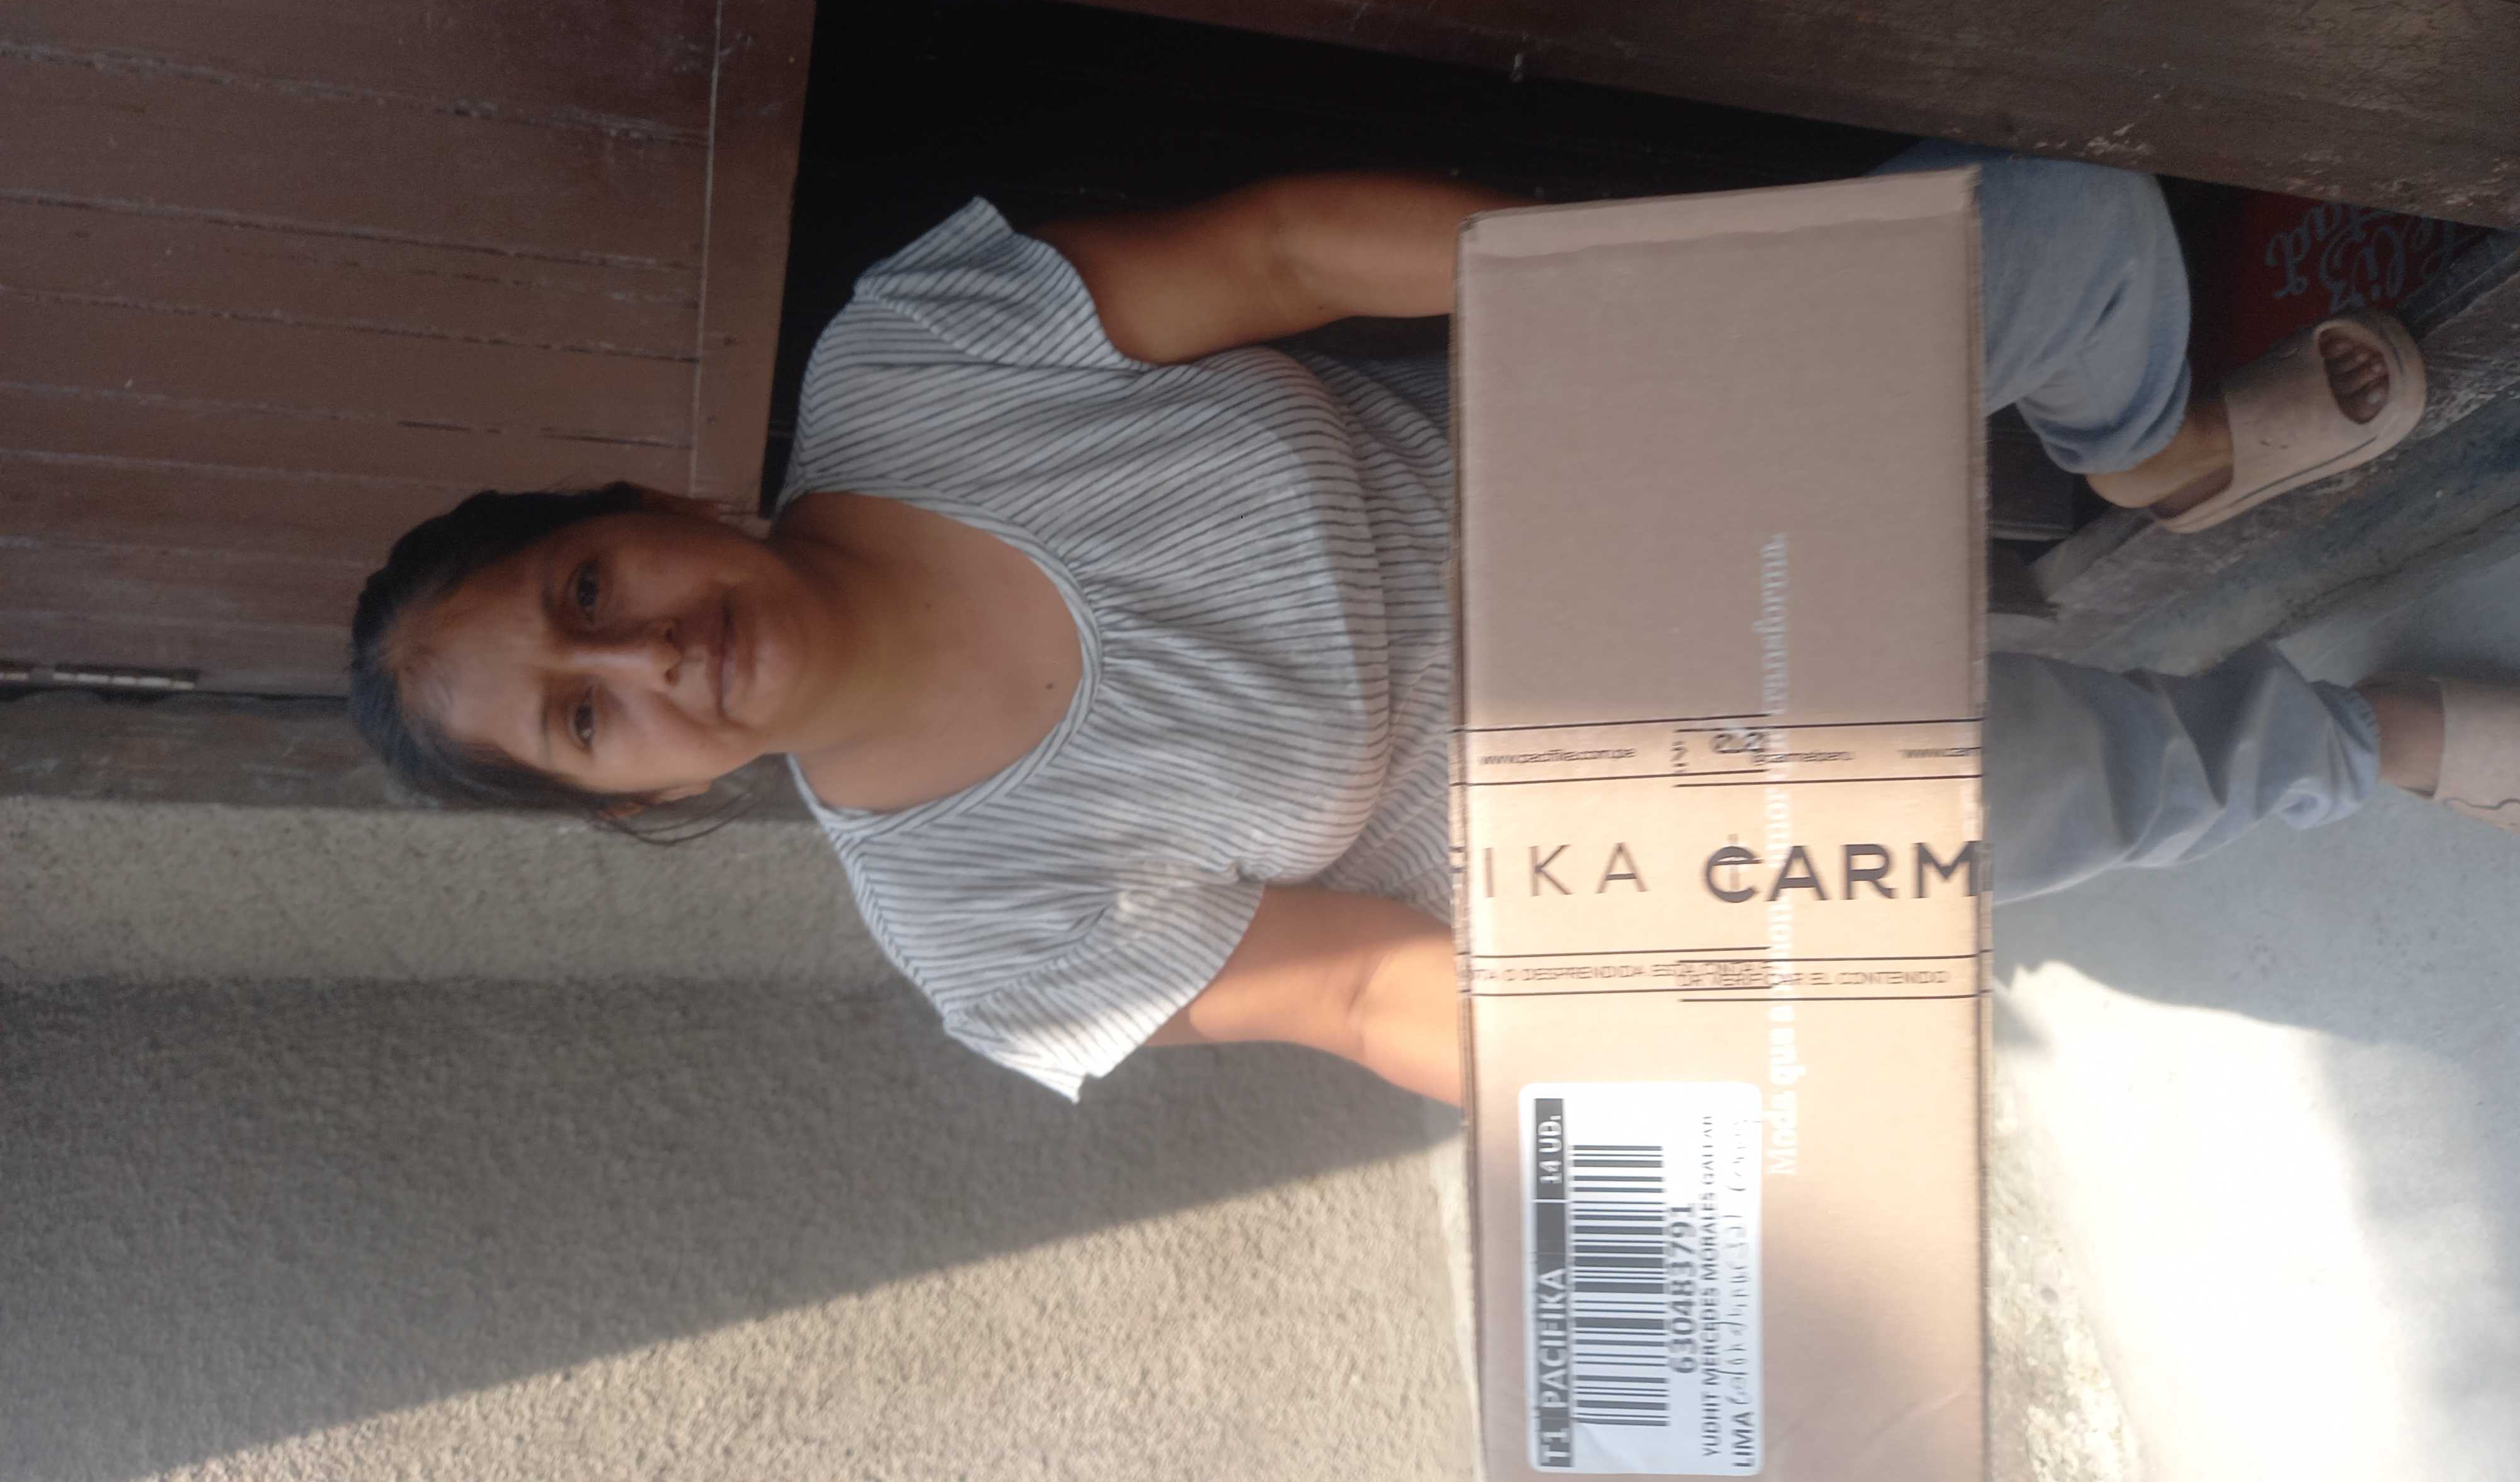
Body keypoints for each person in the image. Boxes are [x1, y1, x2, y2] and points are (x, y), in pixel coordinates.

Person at [350, 145, 2515, 1108]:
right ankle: (2386, 743)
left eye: (586, 594)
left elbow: (1287, 249)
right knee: (2004, 812)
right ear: (636, 799)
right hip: (1624, 806)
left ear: (641, 506)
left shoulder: (911, 367)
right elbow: (1384, 988)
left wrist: (1626, 292)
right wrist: (1656, 1131)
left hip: (1631, 442)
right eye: (583, 721)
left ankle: (2152, 458)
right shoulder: (983, 933)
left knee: (2065, 234)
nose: (643, 660)